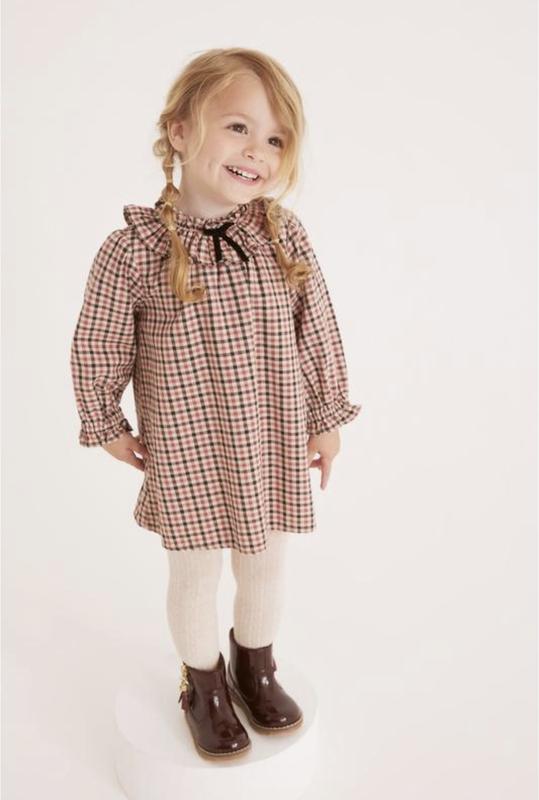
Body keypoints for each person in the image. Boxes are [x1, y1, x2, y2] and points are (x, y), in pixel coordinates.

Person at [70, 47, 362, 761]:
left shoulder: (281, 235)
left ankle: (254, 666)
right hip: (190, 444)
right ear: (179, 130)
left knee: (265, 562)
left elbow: (317, 326)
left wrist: (326, 416)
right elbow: (98, 339)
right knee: (196, 570)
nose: (257, 151)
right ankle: (202, 684)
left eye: (275, 139)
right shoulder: (133, 250)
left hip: (271, 435)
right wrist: (106, 422)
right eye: (238, 127)